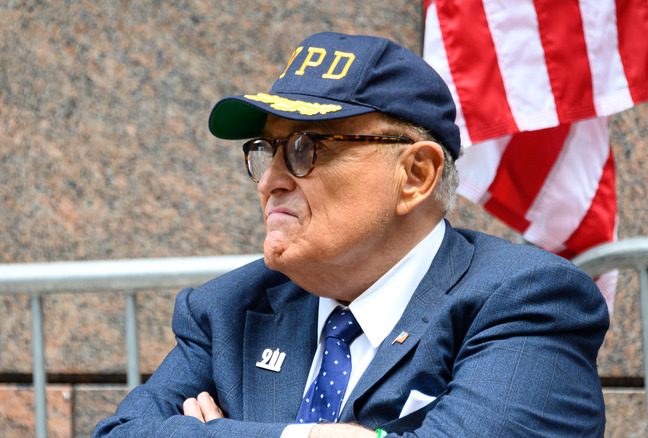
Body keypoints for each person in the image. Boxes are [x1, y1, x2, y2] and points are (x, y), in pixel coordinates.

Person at [94, 32, 609, 437]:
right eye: (266, 150)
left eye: (304, 147)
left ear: (415, 176)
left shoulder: (527, 300)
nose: (271, 180)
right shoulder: (227, 310)